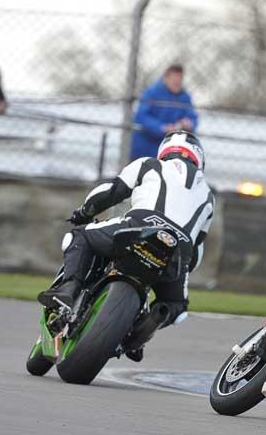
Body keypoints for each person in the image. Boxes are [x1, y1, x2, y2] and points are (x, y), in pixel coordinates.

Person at [38, 131, 215, 360]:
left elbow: (111, 192)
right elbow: (196, 254)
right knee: (176, 306)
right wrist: (180, 267)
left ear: (164, 151)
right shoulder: (209, 196)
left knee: (79, 236)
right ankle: (142, 330)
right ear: (199, 159)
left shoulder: (149, 164)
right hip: (178, 251)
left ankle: (68, 289)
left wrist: (84, 212)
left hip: (137, 229)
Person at [130, 64, 198, 160]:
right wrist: (162, 128)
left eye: (180, 80)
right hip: (145, 149)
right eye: (174, 80)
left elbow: (192, 117)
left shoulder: (184, 97)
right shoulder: (151, 92)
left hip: (170, 151)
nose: (177, 82)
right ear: (165, 78)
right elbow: (141, 117)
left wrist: (188, 123)